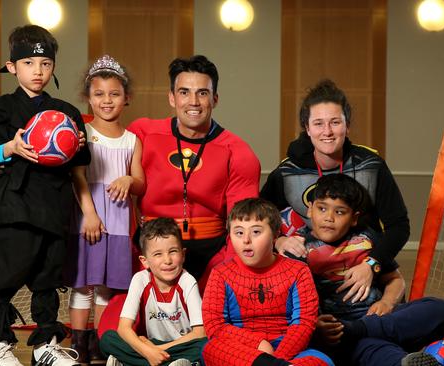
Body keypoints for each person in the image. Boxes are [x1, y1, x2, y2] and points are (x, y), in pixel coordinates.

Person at [0, 25, 90, 366]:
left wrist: (76, 144)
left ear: (53, 66)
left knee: (47, 279)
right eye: (28, 63)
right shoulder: (0, 109)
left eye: (45, 63)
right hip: (17, 207)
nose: (37, 71)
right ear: (12, 67)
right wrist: (10, 146)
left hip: (55, 208)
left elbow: (79, 166)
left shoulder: (67, 112)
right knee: (5, 277)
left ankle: (46, 345)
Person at [260, 79, 410, 304]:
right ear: (307, 128)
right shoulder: (287, 172)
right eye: (318, 123)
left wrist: (372, 265)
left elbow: (399, 226)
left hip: (363, 271)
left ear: (347, 126)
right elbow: (259, 219)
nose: (327, 132)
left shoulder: (371, 165)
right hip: (311, 276)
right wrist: (278, 241)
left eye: (335, 122)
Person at [290, 174, 444, 366]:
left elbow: (395, 280)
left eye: (340, 212)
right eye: (322, 208)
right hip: (334, 329)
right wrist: (314, 323)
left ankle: (365, 333)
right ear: (310, 210)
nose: (329, 218)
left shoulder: (366, 238)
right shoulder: (298, 246)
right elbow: (291, 300)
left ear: (354, 218)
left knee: (441, 309)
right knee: (372, 348)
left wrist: (387, 302)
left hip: (374, 320)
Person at [127, 54, 261, 287]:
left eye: (202, 93)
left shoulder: (238, 151)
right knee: (122, 318)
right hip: (152, 248)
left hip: (212, 253)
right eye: (184, 92)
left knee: (208, 319)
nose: (193, 102)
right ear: (171, 97)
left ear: (215, 99)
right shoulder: (143, 133)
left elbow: (244, 223)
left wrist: (226, 273)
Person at [63, 55, 145, 364]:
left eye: (114, 94)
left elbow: (141, 183)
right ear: (88, 98)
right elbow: (77, 176)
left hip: (119, 222)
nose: (106, 100)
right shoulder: (82, 136)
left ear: (127, 99)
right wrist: (90, 215)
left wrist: (128, 179)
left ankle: (99, 341)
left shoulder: (132, 140)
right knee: (84, 282)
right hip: (88, 219)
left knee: (106, 285)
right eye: (99, 94)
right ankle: (78, 342)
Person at [202, 198, 334, 366]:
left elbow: (303, 323)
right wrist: (259, 344)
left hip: (290, 348)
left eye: (256, 232)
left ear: (275, 234)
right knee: (211, 348)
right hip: (241, 349)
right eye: (239, 232)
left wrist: (275, 360)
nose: (246, 240)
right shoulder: (220, 273)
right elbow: (215, 325)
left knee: (322, 361)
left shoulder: (298, 271)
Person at [99, 218, 207, 366]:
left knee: (205, 345)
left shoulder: (188, 281)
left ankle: (131, 363)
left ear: (183, 255)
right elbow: (123, 328)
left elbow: (200, 332)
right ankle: (170, 363)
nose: (167, 260)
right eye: (158, 254)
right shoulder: (140, 279)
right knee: (108, 339)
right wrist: (147, 350)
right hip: (150, 343)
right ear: (145, 261)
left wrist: (156, 350)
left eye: (173, 251)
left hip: (181, 345)